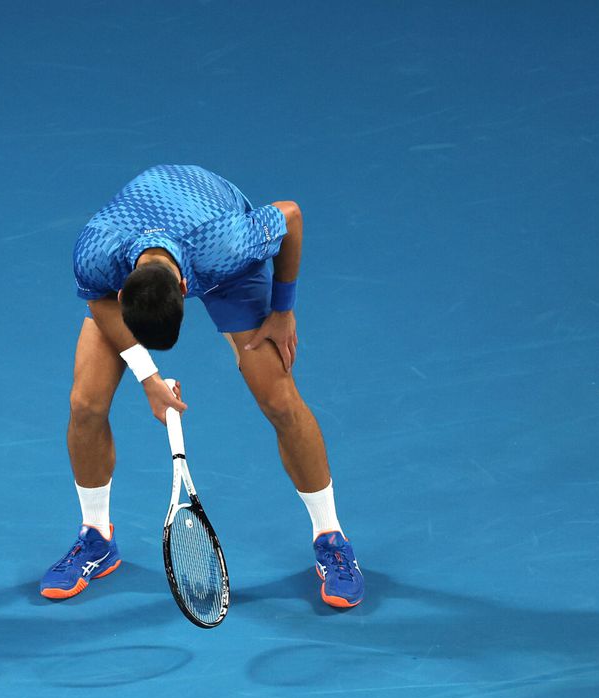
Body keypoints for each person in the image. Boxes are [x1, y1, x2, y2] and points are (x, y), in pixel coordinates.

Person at [39, 165, 363, 608]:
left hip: (216, 246)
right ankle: (96, 537)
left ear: (188, 288)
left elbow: (290, 215)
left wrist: (283, 310)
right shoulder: (98, 251)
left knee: (280, 402)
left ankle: (332, 539)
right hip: (147, 232)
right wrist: (148, 378)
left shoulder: (229, 243)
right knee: (85, 405)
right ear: (123, 293)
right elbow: (99, 301)